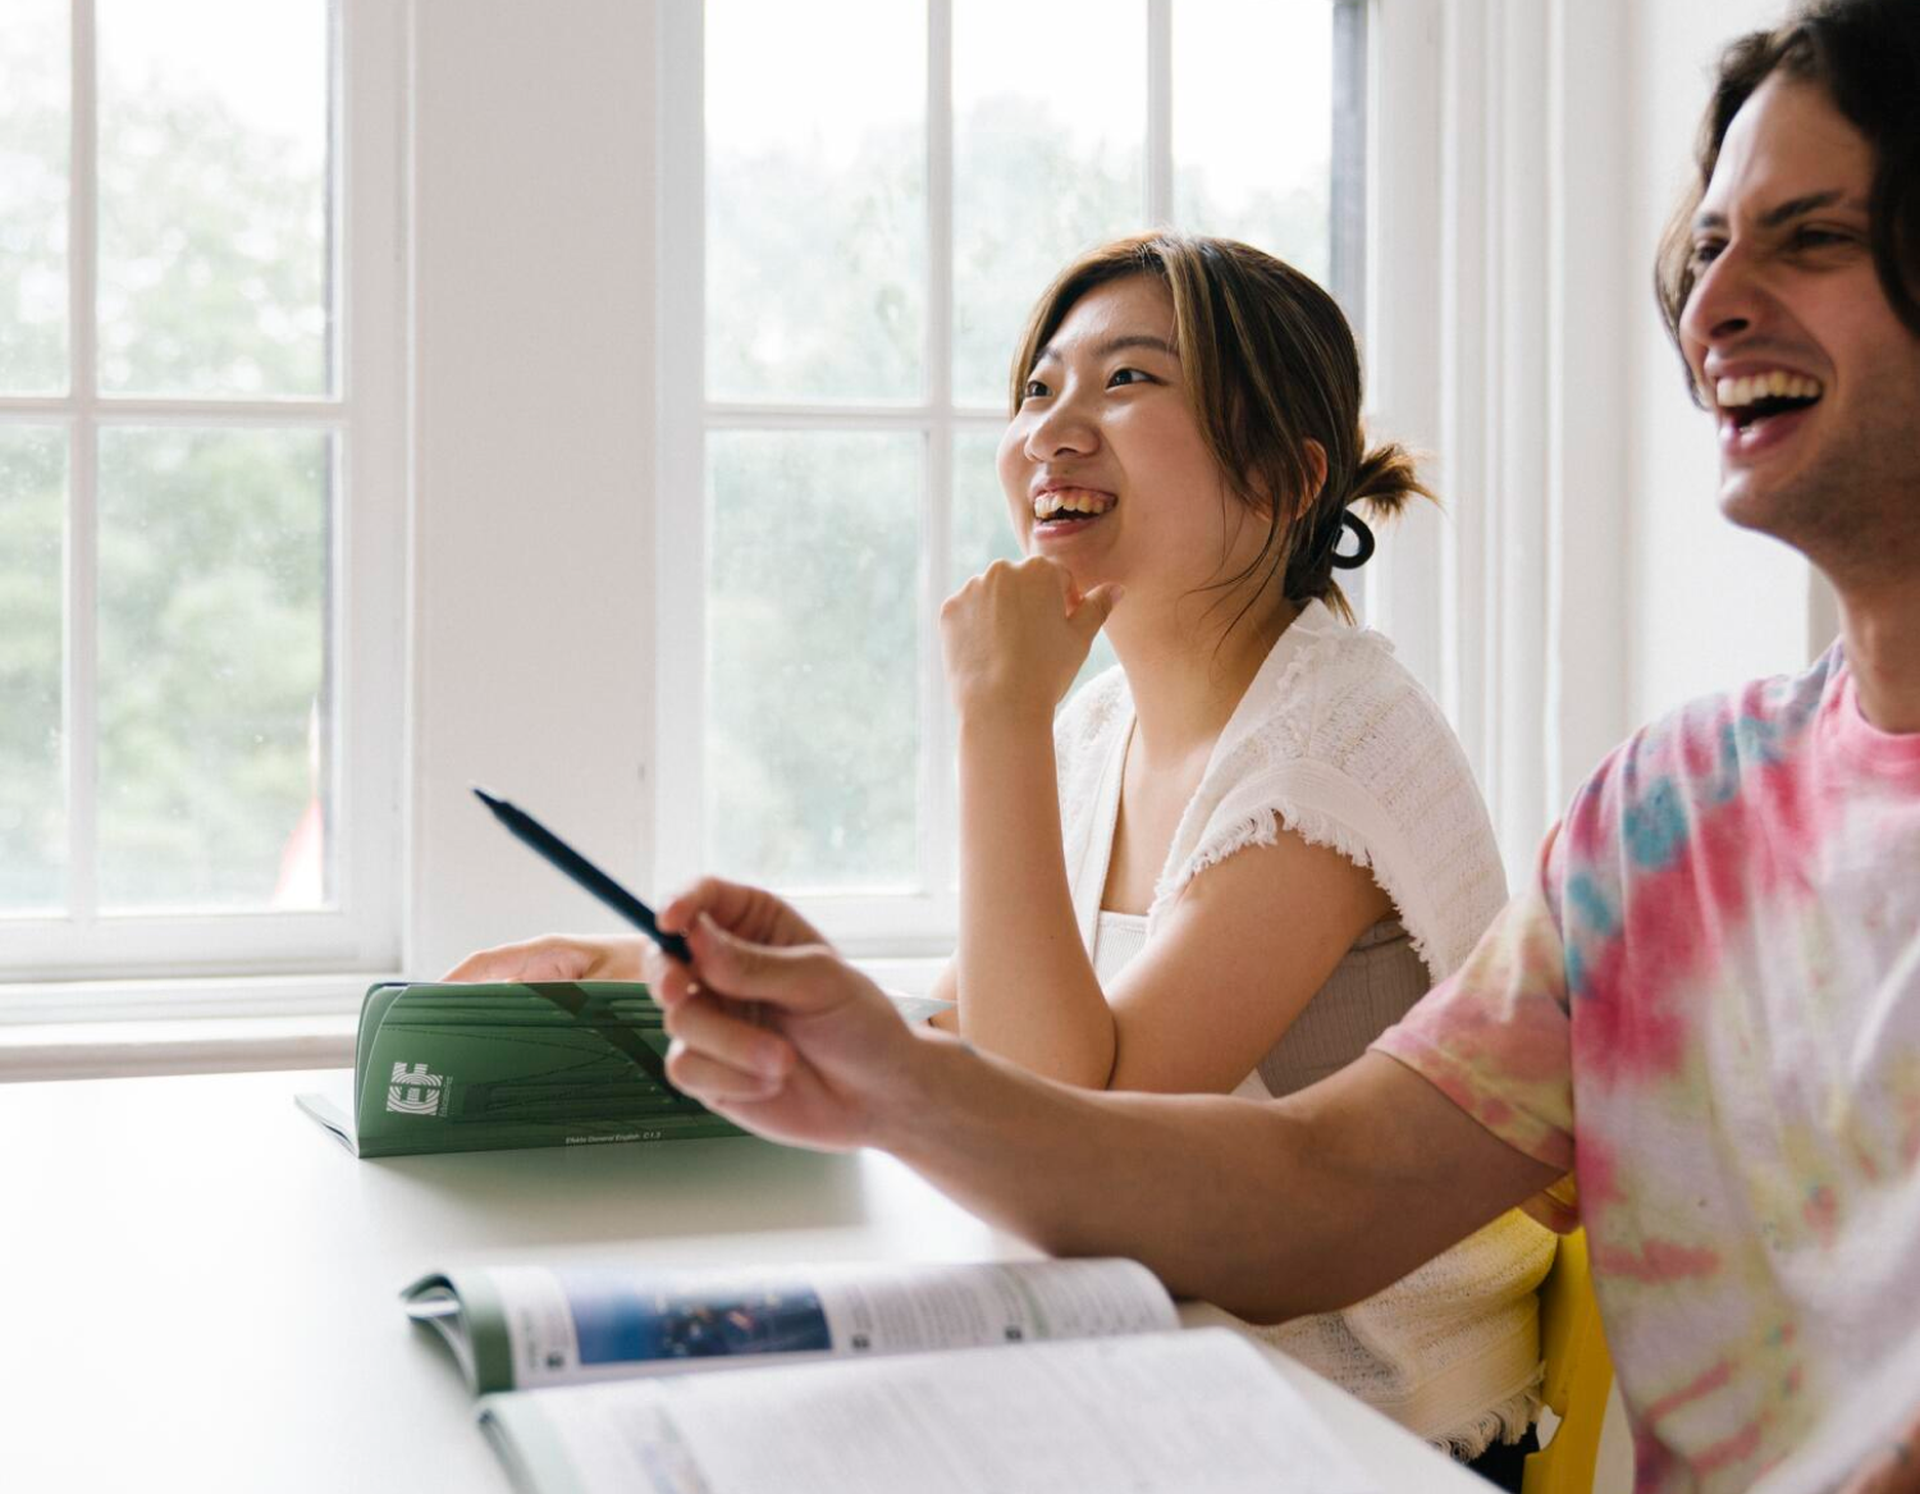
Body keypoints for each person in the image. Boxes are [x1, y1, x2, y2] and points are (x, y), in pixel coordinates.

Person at [628, 0, 1920, 1494]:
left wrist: (991, 745)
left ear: (1287, 472)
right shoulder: (1667, 815)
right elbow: (1327, 1179)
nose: (1708, 304)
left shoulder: (1331, 745)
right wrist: (884, 1071)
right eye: (1703, 249)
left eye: (1812, 237)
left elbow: (1110, 1095)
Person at [451, 233, 1553, 1471]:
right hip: (1168, 1363)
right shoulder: (1099, 724)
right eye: (1039, 390)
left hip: (1371, 1425)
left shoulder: (1334, 741)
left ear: (1287, 476)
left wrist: (997, 714)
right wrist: (645, 965)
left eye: (1127, 382)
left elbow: (1080, 1135)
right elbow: (974, 1018)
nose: (1054, 431)